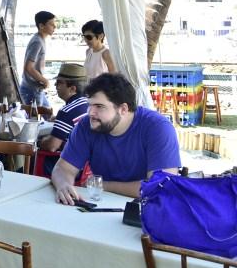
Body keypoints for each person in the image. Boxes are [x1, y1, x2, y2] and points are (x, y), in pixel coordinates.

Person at [52, 73, 181, 203]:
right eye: (89, 105)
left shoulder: (158, 128)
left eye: (99, 106)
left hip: (148, 207)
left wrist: (103, 185)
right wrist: (64, 185)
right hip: (103, 204)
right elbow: (63, 168)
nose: (90, 112)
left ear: (123, 109)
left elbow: (159, 187)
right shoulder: (87, 125)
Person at [38, 63, 88, 175]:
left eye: (59, 82)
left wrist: (39, 142)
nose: (55, 85)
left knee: (27, 164)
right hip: (87, 167)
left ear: (72, 89)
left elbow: (52, 146)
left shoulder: (67, 111)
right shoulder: (89, 104)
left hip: (70, 169)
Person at [19, 10, 55, 109]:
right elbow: (29, 67)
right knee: (36, 116)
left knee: (48, 114)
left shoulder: (40, 39)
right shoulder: (37, 42)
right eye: (51, 24)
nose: (54, 26)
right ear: (41, 26)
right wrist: (45, 81)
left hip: (36, 88)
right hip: (32, 89)